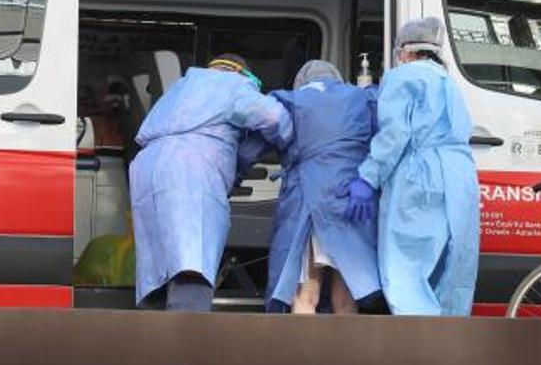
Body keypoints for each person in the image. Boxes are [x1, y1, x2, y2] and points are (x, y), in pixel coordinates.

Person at [339, 17, 480, 316]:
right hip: (460, 178)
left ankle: (418, 350)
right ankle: (449, 346)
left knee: (405, 267)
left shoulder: (402, 77)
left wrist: (368, 178)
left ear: (405, 50)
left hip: (421, 177)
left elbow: (395, 135)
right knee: (452, 268)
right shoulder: (449, 83)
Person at [129, 54, 291, 312]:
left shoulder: (180, 88)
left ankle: (155, 344)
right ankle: (186, 345)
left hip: (147, 168)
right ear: (243, 73)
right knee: (191, 264)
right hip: (189, 170)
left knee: (157, 271)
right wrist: (289, 142)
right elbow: (272, 117)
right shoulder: (232, 83)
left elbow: (240, 148)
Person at [263, 60, 381, 314]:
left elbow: (277, 133)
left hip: (309, 200)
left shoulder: (291, 100)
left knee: (306, 294)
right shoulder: (363, 97)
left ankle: (301, 353)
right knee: (347, 296)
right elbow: (384, 136)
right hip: (352, 200)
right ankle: (346, 354)